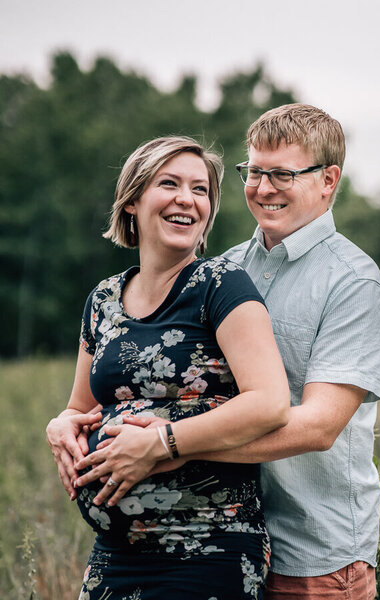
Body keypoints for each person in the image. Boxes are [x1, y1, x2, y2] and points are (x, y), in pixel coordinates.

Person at [46, 135, 290, 600]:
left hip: (207, 547)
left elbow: (271, 403)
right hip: (113, 555)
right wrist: (59, 426)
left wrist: (160, 442)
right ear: (134, 200)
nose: (187, 199)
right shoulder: (102, 300)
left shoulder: (221, 285)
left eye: (200, 190)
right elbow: (80, 407)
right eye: (170, 183)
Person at [184, 103, 380, 599]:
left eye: (282, 174)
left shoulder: (355, 284)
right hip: (223, 539)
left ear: (328, 180)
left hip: (312, 553)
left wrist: (172, 446)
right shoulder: (225, 269)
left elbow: (319, 427)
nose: (262, 187)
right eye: (254, 171)